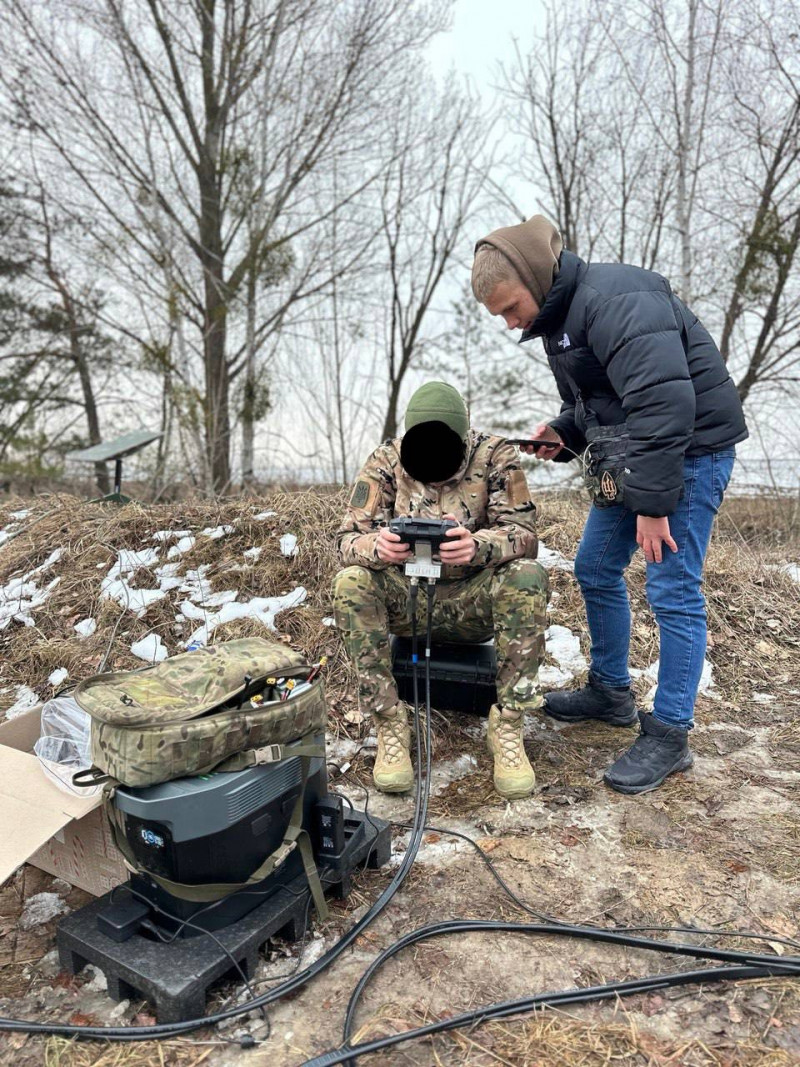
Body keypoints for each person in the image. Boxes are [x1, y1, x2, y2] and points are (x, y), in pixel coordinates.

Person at [471, 215, 748, 795]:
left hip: (687, 453)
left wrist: (654, 504)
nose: (509, 322)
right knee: (595, 566)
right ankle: (609, 692)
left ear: (536, 277)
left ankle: (670, 733)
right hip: (637, 455)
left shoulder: (617, 299)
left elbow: (664, 406)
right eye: (499, 315)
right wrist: (565, 430)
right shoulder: (559, 320)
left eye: (510, 307)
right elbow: (602, 400)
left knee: (672, 587)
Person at [332, 381, 548, 800]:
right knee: (351, 582)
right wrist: (377, 547)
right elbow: (345, 541)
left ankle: (506, 724)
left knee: (527, 575)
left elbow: (524, 535)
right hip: (407, 599)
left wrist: (477, 547)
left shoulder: (496, 455)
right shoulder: (386, 460)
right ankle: (391, 722)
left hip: (473, 599)